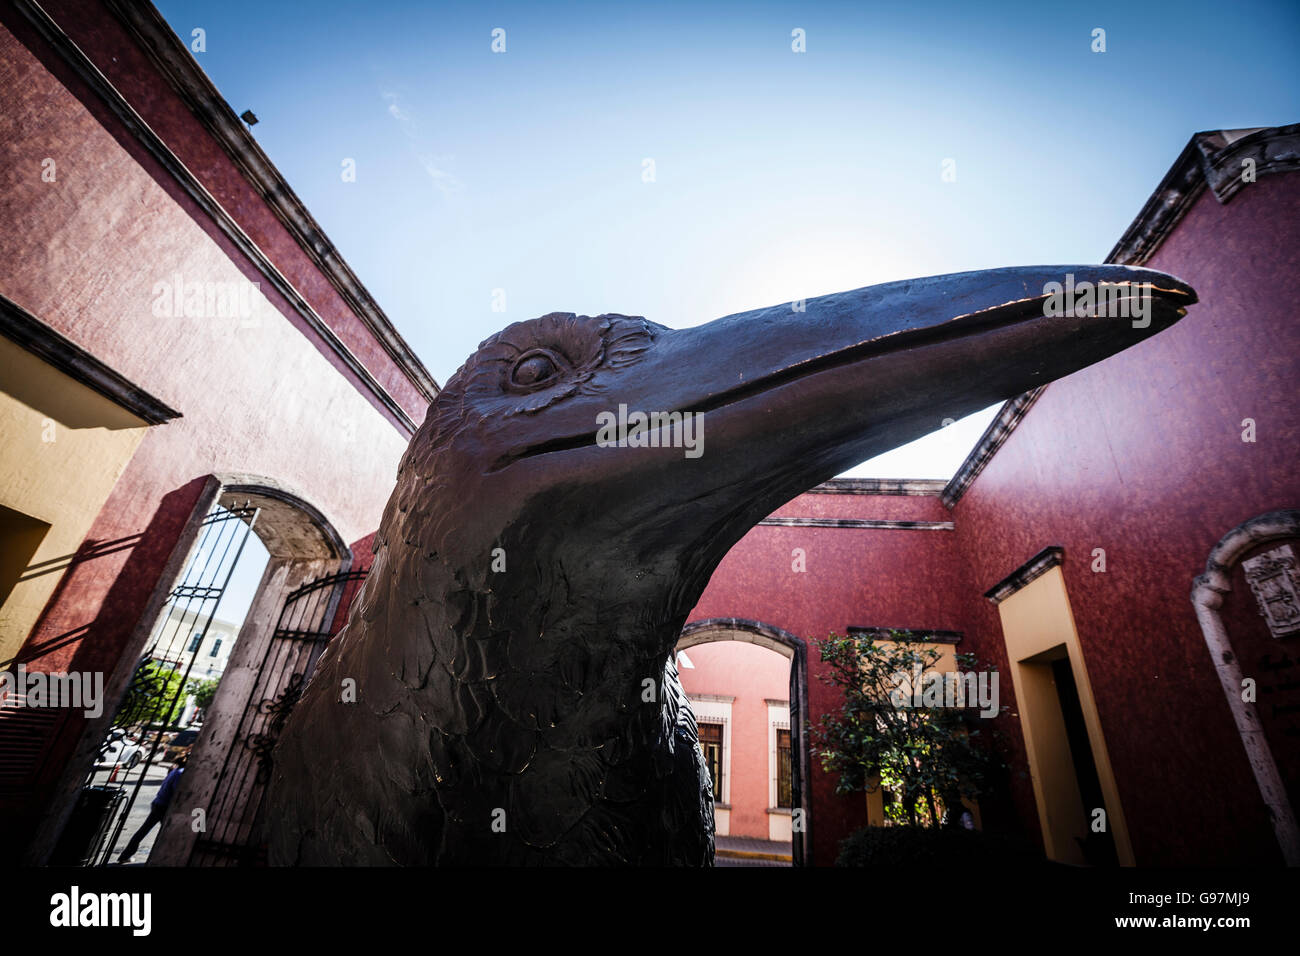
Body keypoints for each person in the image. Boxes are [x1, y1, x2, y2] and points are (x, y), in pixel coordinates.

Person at [116, 755, 185, 864]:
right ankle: (162, 857)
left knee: (144, 830)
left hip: (158, 803)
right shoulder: (181, 773)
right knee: (167, 834)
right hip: (164, 806)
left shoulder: (175, 771)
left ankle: (125, 855)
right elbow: (177, 791)